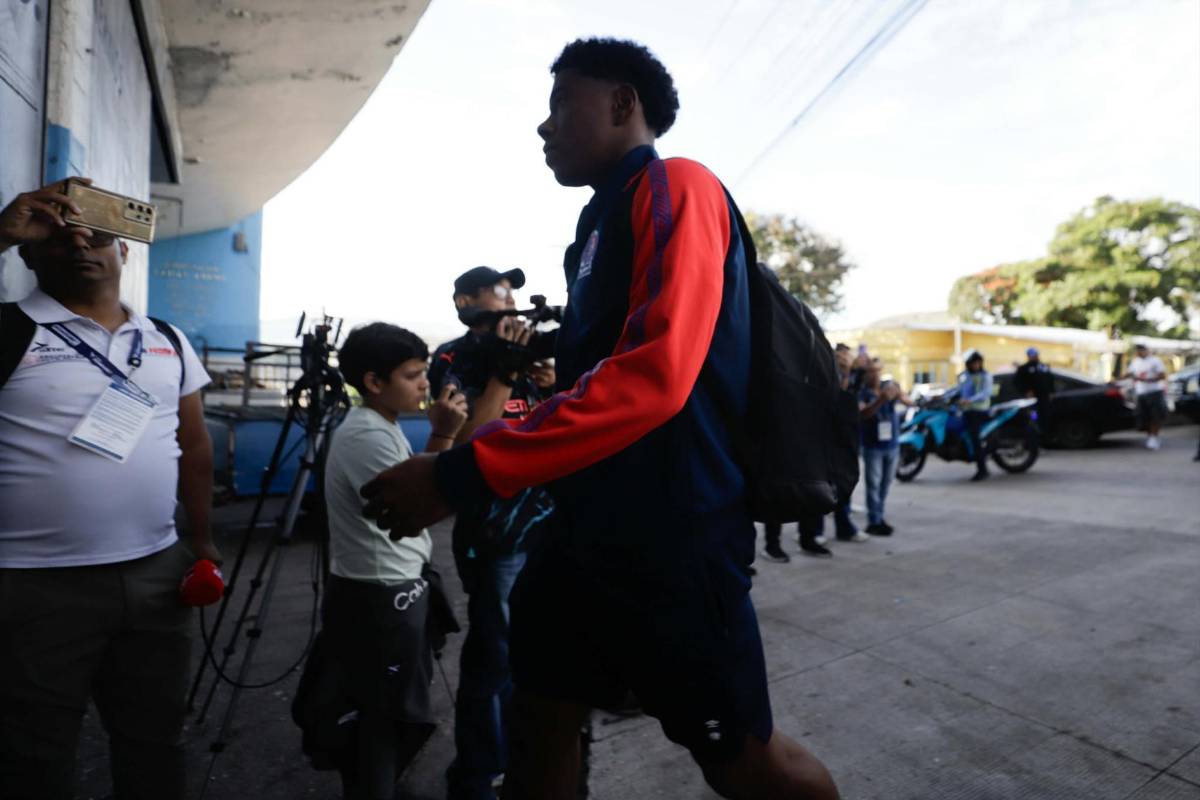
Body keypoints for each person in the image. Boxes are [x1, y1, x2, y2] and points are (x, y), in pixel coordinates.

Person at [362, 37, 839, 800]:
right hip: (584, 532)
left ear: (622, 105)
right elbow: (592, 383)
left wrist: (463, 471)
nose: (544, 128)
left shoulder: (676, 186)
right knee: (539, 713)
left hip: (673, 539)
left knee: (744, 759)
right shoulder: (593, 227)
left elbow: (656, 378)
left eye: (560, 106)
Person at [0, 179, 217, 800]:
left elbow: (193, 445)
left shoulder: (167, 340)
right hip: (34, 583)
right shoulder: (12, 330)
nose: (82, 246)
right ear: (27, 254)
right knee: (33, 755)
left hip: (156, 573)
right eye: (58, 236)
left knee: (154, 744)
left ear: (125, 253)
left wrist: (200, 541)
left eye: (98, 236)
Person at [322, 322, 468, 800]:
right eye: (412, 374)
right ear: (374, 382)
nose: (425, 384)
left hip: (388, 585)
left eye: (423, 372)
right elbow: (410, 509)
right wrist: (445, 437)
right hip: (380, 594)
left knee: (387, 710)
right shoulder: (367, 435)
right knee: (385, 717)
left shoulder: (378, 425)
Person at [428, 267, 556, 800]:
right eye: (497, 292)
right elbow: (467, 442)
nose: (510, 300)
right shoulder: (452, 360)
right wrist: (504, 376)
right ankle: (479, 774)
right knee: (493, 659)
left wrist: (551, 384)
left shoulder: (525, 355)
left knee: (544, 659)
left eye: (513, 292)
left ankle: (527, 761)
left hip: (547, 523)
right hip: (495, 532)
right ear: (466, 302)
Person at [859, 362, 910, 535]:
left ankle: (879, 516)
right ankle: (873, 521)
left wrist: (899, 393)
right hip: (873, 447)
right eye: (871, 372)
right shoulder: (862, 393)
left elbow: (909, 402)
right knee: (873, 484)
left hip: (892, 444)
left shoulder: (888, 389)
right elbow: (863, 414)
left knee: (886, 484)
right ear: (865, 375)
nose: (875, 376)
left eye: (878, 372)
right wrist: (880, 400)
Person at [957, 349, 994, 481]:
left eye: (978, 363)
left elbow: (986, 393)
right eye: (973, 363)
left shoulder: (986, 376)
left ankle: (982, 469)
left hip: (979, 411)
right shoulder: (965, 376)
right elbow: (958, 389)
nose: (976, 365)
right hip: (966, 410)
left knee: (974, 438)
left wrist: (969, 400)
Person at [1126, 343, 1168, 451]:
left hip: (1154, 392)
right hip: (1141, 393)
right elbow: (1129, 373)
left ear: (1146, 350)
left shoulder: (1155, 361)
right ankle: (1150, 437)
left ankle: (1154, 438)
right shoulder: (1136, 362)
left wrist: (1148, 380)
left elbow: (1162, 375)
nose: (1139, 352)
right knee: (1145, 417)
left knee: (1155, 416)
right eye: (1138, 350)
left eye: (1141, 349)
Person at [1014, 347, 1054, 438]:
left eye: (1036, 355)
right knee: (1033, 419)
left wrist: (1051, 392)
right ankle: (1032, 442)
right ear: (1028, 356)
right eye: (1032, 355)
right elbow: (1017, 382)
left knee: (1044, 420)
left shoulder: (1044, 367)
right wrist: (1026, 391)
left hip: (1044, 401)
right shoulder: (1023, 369)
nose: (1034, 357)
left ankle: (1043, 440)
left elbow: (1051, 380)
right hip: (1031, 402)